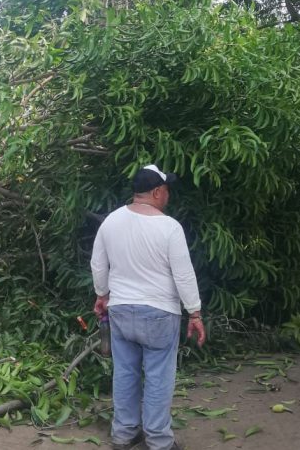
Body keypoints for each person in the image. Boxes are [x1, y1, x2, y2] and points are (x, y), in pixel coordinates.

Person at [91, 164, 206, 450]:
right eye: (166, 190)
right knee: (158, 377)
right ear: (156, 191)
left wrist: (101, 295)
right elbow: (183, 274)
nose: (168, 195)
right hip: (158, 314)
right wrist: (194, 312)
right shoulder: (169, 227)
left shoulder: (111, 221)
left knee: (125, 372)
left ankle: (124, 434)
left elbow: (97, 264)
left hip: (120, 310)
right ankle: (158, 441)